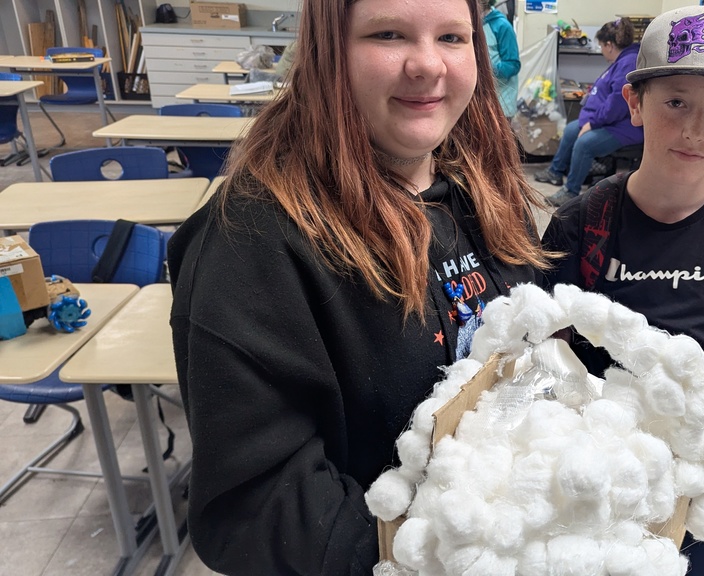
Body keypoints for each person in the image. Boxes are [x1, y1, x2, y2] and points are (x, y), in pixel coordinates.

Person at [166, 0, 549, 573]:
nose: (428, 64)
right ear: (327, 51)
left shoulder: (488, 195)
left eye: (452, 37)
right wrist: (442, 557)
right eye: (388, 34)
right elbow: (254, 507)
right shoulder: (252, 241)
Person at [540, 6, 704, 575]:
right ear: (635, 103)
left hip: (699, 496)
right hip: (593, 492)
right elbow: (547, 364)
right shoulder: (580, 225)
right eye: (676, 102)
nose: (695, 131)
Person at [533, 18, 643, 207]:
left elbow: (617, 105)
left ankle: (571, 190)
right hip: (609, 120)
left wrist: (592, 123)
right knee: (571, 130)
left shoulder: (628, 63)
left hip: (624, 126)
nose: (601, 49)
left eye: (601, 45)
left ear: (609, 45)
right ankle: (555, 172)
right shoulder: (622, 60)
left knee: (584, 144)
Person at [479, 0, 520, 119]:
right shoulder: (473, 23)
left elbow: (512, 65)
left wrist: (484, 71)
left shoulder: (501, 25)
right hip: (481, 99)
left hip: (501, 101)